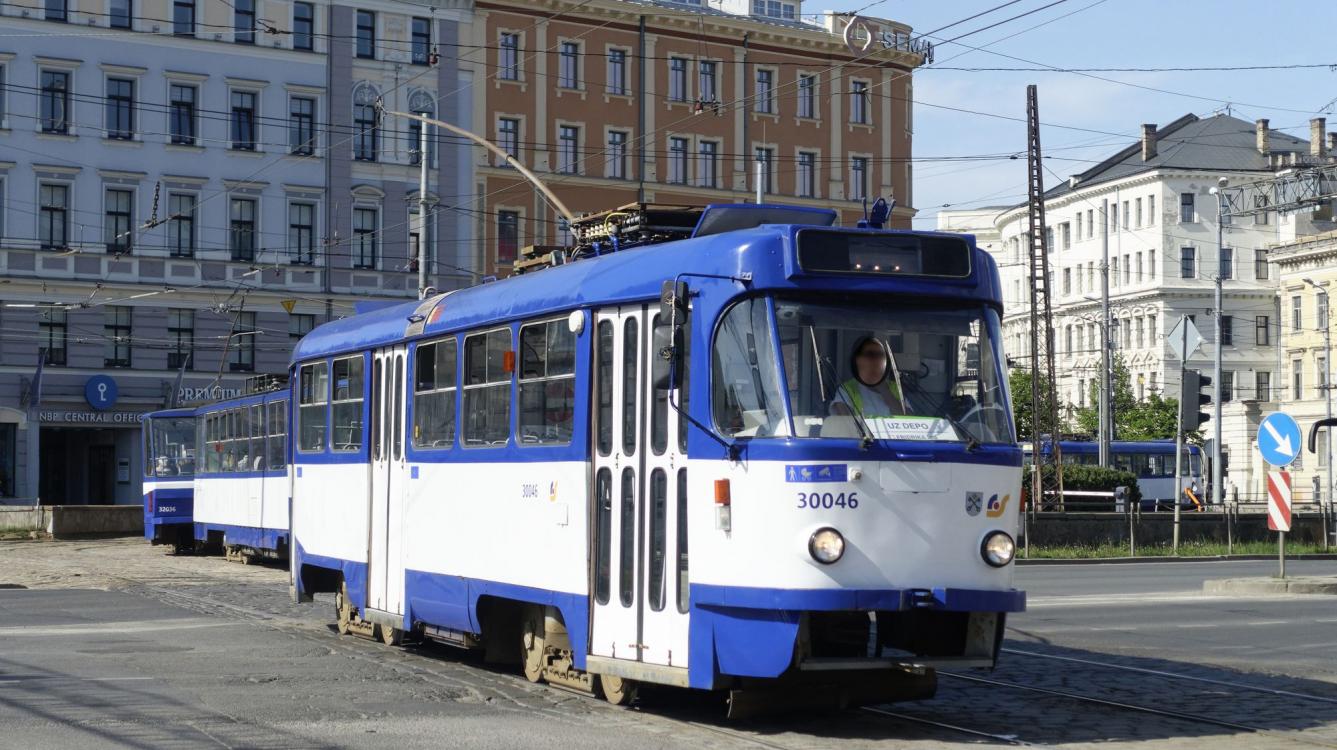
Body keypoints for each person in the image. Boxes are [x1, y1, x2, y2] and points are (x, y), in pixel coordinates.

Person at [830, 336, 909, 418]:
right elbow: (844, 420)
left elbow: (909, 420)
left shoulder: (895, 388)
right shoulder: (847, 389)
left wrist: (885, 391)